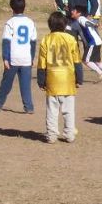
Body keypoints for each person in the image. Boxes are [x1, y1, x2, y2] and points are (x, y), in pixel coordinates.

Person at [37, 12, 84, 144]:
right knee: (68, 110)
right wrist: (79, 79)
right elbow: (77, 61)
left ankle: (51, 135)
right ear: (65, 25)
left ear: (49, 25)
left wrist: (41, 80)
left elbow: (42, 62)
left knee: (52, 110)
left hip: (52, 79)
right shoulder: (71, 39)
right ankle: (69, 134)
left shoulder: (46, 39)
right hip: (68, 79)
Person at [0, 0, 37, 113]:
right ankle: (29, 107)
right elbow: (33, 42)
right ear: (24, 7)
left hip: (13, 58)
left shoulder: (10, 22)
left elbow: (6, 41)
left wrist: (5, 58)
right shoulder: (30, 22)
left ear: (12, 8)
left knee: (6, 83)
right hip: (26, 58)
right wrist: (32, 57)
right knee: (25, 85)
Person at [69, 5, 102, 82]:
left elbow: (87, 23)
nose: (72, 11)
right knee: (97, 62)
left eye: (74, 11)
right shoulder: (80, 19)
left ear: (79, 13)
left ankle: (101, 74)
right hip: (97, 41)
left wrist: (94, 24)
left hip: (93, 42)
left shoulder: (81, 18)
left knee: (86, 60)